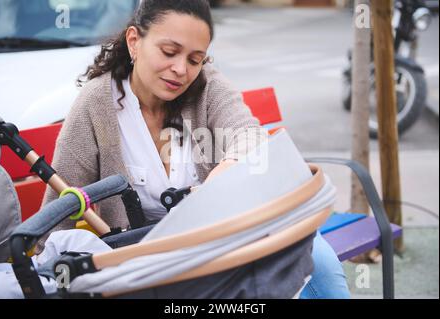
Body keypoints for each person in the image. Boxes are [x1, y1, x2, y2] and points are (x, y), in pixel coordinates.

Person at [40, 0, 349, 299]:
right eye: (170, 52)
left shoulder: (207, 86)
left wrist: (222, 178)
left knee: (316, 255)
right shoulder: (97, 106)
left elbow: (249, 135)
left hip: (224, 241)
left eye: (194, 58)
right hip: (155, 265)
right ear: (134, 41)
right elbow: (59, 212)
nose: (181, 70)